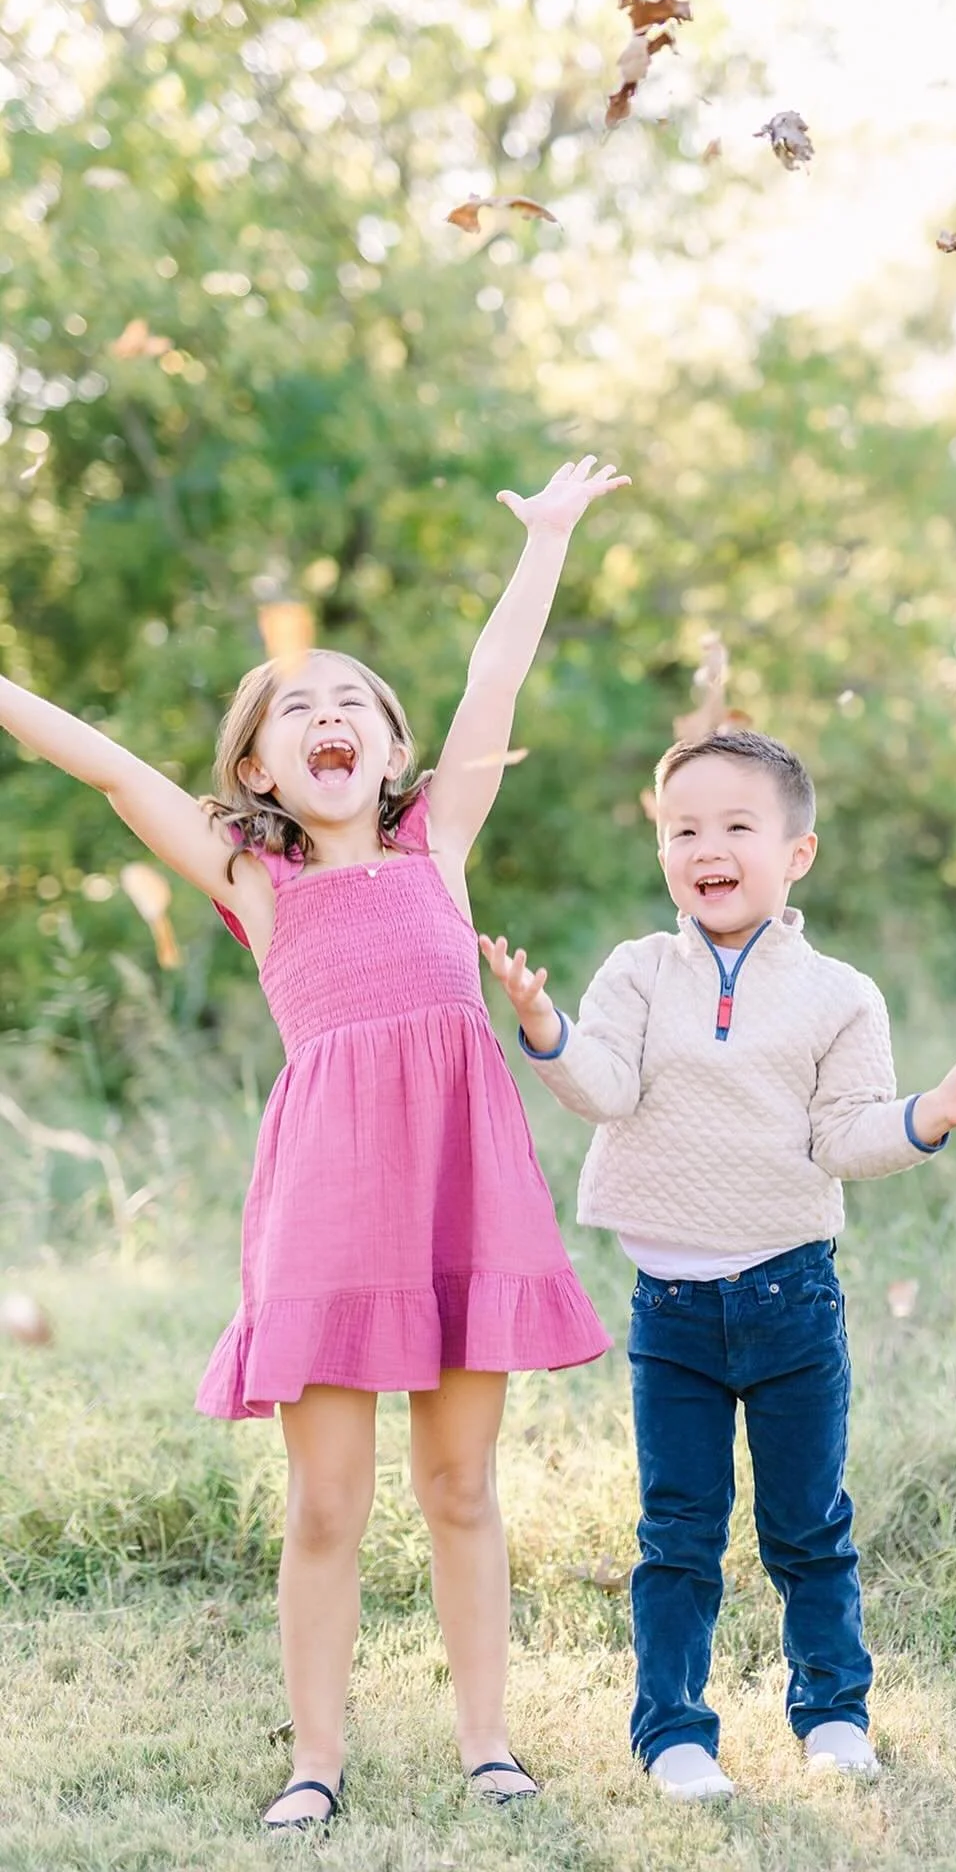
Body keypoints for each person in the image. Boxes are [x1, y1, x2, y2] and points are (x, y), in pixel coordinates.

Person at [0, 456, 627, 1828]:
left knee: (461, 1484)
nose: (330, 715)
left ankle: (488, 1746)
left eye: (357, 703)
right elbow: (104, 765)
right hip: (333, 1206)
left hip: (464, 1191)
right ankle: (316, 1763)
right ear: (255, 766)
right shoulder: (253, 882)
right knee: (327, 1504)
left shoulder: (436, 848)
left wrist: (548, 541)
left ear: (393, 754)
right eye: (299, 706)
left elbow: (496, 685)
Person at [480, 727, 956, 1799]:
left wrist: (930, 1113)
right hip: (674, 1311)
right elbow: (605, 1087)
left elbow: (844, 1139)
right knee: (678, 1533)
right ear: (661, 853)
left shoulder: (841, 995)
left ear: (798, 853)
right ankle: (676, 1735)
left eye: (737, 825)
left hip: (791, 1301)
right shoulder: (639, 972)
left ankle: (833, 1715)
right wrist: (545, 1026)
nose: (709, 846)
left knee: (807, 1526)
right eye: (683, 828)